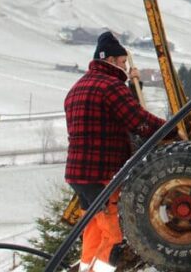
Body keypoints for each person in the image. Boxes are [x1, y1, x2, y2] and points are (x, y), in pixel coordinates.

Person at [64, 31, 167, 272]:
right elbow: (137, 120)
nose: (124, 67)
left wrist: (134, 85)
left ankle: (87, 269)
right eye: (122, 63)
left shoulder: (77, 88)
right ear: (110, 60)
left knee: (92, 231)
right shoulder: (110, 86)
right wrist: (171, 130)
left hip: (79, 177)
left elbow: (109, 115)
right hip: (102, 177)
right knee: (113, 236)